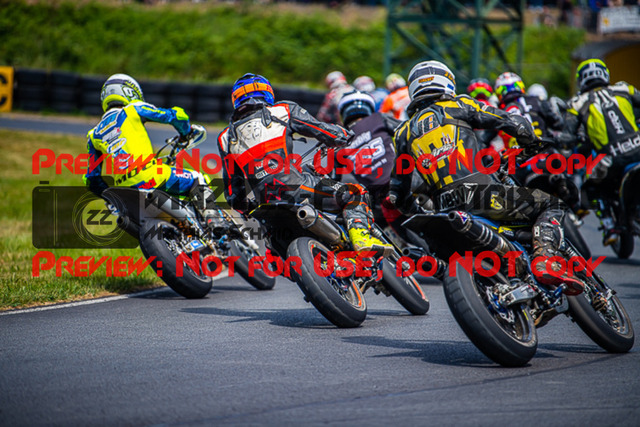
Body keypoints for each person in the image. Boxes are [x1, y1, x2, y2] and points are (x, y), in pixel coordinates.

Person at [389, 60, 583, 293]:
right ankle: (545, 259)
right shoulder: (458, 104)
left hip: (441, 212)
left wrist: (419, 210)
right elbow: (511, 122)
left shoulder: (402, 133)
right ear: (446, 82)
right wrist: (530, 141)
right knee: (551, 205)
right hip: (481, 195)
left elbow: (398, 194)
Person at [217, 73, 392, 256]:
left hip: (264, 204)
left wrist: (246, 207)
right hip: (295, 187)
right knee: (354, 193)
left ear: (236, 99)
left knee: (275, 254)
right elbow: (320, 129)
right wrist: (342, 135)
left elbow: (233, 191)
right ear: (267, 93)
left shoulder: (225, 137)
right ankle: (362, 236)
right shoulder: (283, 110)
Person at [83, 73, 219, 226]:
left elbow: (91, 180)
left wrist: (111, 199)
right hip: (150, 175)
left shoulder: (93, 134)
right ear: (130, 92)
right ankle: (216, 223)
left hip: (123, 191)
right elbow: (177, 116)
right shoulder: (132, 109)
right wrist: (186, 133)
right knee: (197, 178)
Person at [557, 58, 640, 246]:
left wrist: (565, 147)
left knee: (589, 187)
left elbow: (567, 136)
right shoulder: (624, 88)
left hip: (611, 159)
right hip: (638, 148)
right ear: (605, 74)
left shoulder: (577, 102)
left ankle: (609, 226)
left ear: (581, 80)